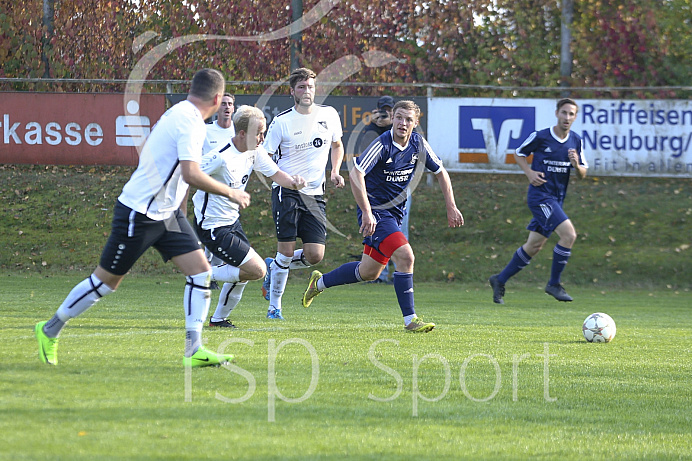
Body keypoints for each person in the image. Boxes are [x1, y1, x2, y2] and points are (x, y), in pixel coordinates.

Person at [34, 69, 251, 368]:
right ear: (217, 99)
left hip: (167, 214)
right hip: (140, 212)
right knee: (106, 282)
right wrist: (231, 192)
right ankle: (49, 329)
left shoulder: (177, 113)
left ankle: (194, 348)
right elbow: (190, 173)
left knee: (201, 272)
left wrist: (177, 206)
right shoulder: (190, 123)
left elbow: (171, 167)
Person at [301, 100, 464, 332]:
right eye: (399, 117)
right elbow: (357, 173)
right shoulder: (382, 144)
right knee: (406, 257)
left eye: (409, 119)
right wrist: (367, 212)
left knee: (368, 272)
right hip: (376, 212)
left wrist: (451, 206)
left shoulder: (418, 143)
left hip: (394, 214)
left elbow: (440, 171)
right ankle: (410, 320)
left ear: (416, 123)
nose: (403, 123)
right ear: (393, 118)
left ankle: (319, 282)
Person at [192, 105, 306, 328]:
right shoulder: (221, 156)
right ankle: (200, 275)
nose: (263, 138)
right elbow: (190, 175)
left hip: (231, 221)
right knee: (257, 269)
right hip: (212, 226)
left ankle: (218, 319)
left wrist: (293, 182)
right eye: (259, 133)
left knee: (243, 274)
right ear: (242, 134)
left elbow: (275, 174)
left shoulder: (255, 150)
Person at [260, 67, 345, 320]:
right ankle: (275, 307)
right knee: (286, 252)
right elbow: (263, 157)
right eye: (301, 87)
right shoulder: (282, 122)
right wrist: (286, 179)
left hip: (315, 195)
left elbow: (337, 145)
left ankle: (272, 266)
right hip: (286, 193)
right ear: (292, 91)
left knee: (315, 256)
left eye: (310, 86)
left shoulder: (328, 114)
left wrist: (335, 171)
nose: (307, 91)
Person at [489, 98, 587, 304]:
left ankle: (499, 279)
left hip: (556, 200)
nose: (567, 117)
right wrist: (529, 173)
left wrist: (576, 165)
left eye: (571, 114)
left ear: (575, 117)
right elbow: (518, 153)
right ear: (557, 113)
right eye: (564, 113)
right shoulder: (542, 136)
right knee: (569, 235)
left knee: (533, 246)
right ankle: (553, 283)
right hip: (540, 197)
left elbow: (583, 174)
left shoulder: (576, 141)